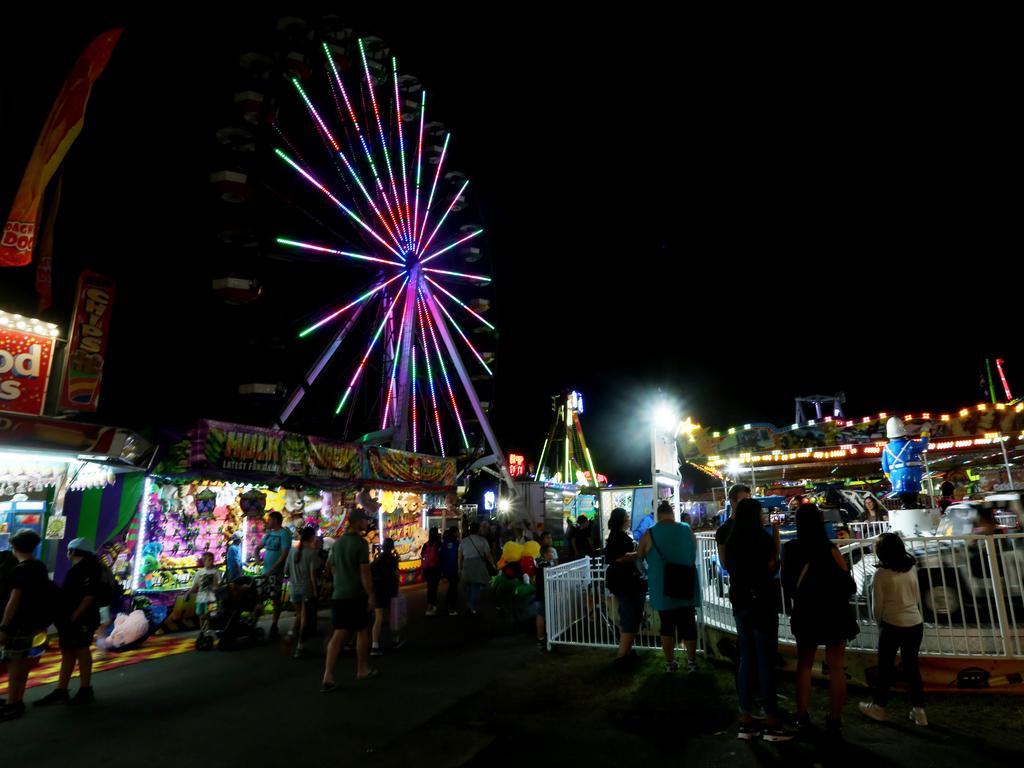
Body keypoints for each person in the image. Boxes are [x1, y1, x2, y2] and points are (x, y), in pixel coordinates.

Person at [782, 504, 857, 734]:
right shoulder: (830, 548)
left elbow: (786, 583)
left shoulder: (791, 548)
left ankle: (802, 714)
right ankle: (835, 719)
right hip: (835, 614)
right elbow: (849, 584)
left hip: (807, 613)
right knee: (836, 668)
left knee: (804, 665)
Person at [724, 499, 793, 741]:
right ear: (756, 516)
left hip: (741, 603)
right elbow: (772, 567)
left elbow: (729, 567)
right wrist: (775, 536)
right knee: (765, 661)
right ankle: (771, 720)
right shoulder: (762, 540)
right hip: (762, 603)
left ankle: (745, 719)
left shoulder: (732, 541)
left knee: (746, 659)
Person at [860, 533, 927, 726]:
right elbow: (915, 596)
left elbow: (877, 606)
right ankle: (919, 710)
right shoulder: (911, 568)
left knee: (885, 667)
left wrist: (880, 622)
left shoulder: (881, 574)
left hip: (892, 623)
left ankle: (879, 707)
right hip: (915, 622)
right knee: (912, 667)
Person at [36, 537, 103, 707]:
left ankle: (85, 689)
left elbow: (89, 596)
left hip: (81, 619)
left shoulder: (86, 569)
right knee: (68, 651)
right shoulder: (85, 568)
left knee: (81, 650)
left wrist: (74, 616)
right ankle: (62, 690)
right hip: (73, 618)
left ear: (72, 551)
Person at [638, 501, 701, 674]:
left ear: (657, 516)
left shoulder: (650, 533)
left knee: (666, 626)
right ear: (672, 514)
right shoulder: (687, 529)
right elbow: (692, 550)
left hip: (662, 587)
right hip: (686, 584)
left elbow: (639, 556)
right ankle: (691, 662)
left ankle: (669, 663)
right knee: (688, 624)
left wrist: (645, 570)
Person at [0, 530, 54, 721]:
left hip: (18, 623)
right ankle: (18, 699)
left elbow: (13, 601)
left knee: (14, 664)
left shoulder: (19, 570)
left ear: (14, 548)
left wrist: (4, 626)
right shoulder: (39, 566)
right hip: (34, 622)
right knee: (23, 664)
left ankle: (11, 704)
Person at [322, 509, 377, 691]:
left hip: (339, 595)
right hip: (356, 595)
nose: (367, 523)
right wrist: (370, 594)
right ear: (357, 522)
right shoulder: (360, 543)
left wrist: (340, 581)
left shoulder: (337, 544)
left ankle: (328, 675)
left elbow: (330, 568)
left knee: (339, 634)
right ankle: (362, 669)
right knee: (362, 630)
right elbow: (364, 572)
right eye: (365, 520)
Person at [604, 507, 646, 664]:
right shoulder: (618, 537)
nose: (629, 519)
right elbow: (620, 558)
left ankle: (627, 650)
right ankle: (622, 656)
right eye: (627, 517)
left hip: (620, 581)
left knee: (626, 614)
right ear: (622, 520)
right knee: (630, 615)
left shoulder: (616, 536)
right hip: (625, 581)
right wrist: (639, 552)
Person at [285, 526, 319, 658]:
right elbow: (312, 574)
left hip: (293, 587)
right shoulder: (312, 553)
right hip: (306, 588)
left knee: (298, 615)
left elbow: (286, 571)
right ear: (311, 537)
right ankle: (300, 646)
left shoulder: (292, 551)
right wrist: (316, 590)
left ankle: (290, 635)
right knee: (304, 618)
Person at [260, 511, 292, 639]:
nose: (268, 521)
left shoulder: (284, 534)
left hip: (276, 572)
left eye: (270, 519)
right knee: (261, 596)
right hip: (266, 571)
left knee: (275, 598)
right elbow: (260, 546)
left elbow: (284, 554)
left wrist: (272, 569)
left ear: (276, 520)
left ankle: (274, 623)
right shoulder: (269, 533)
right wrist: (257, 554)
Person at [371, 538, 401, 654]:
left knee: (378, 618)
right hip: (390, 591)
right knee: (391, 616)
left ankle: (375, 645)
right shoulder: (393, 560)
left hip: (378, 591)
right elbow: (396, 574)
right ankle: (395, 640)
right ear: (392, 547)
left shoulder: (376, 561)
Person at [458, 522, 495, 616]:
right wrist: (493, 565)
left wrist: (459, 568)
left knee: (467, 586)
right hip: (478, 564)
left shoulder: (464, 541)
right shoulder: (482, 540)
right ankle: (473, 607)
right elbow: (488, 555)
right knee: (475, 586)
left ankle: (469, 605)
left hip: (466, 564)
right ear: (478, 529)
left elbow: (460, 557)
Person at [188, 551, 220, 636]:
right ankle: (202, 630)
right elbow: (196, 585)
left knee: (210, 615)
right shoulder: (199, 573)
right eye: (209, 560)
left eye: (212, 560)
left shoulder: (216, 572)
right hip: (201, 597)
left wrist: (217, 589)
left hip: (212, 597)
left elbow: (218, 584)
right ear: (204, 561)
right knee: (200, 614)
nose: (211, 562)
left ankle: (208, 629)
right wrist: (189, 593)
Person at [531, 545, 557, 649]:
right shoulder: (544, 565)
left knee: (542, 614)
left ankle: (543, 636)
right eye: (551, 552)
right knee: (542, 614)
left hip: (542, 593)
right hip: (543, 593)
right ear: (546, 554)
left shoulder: (541, 563)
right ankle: (542, 637)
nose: (553, 554)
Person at [440, 527, 461, 615]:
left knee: (452, 586)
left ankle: (447, 604)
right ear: (454, 533)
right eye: (458, 532)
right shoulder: (456, 543)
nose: (459, 533)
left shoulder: (444, 544)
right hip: (453, 568)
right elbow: (458, 556)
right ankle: (451, 608)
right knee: (453, 588)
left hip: (446, 569)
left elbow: (441, 556)